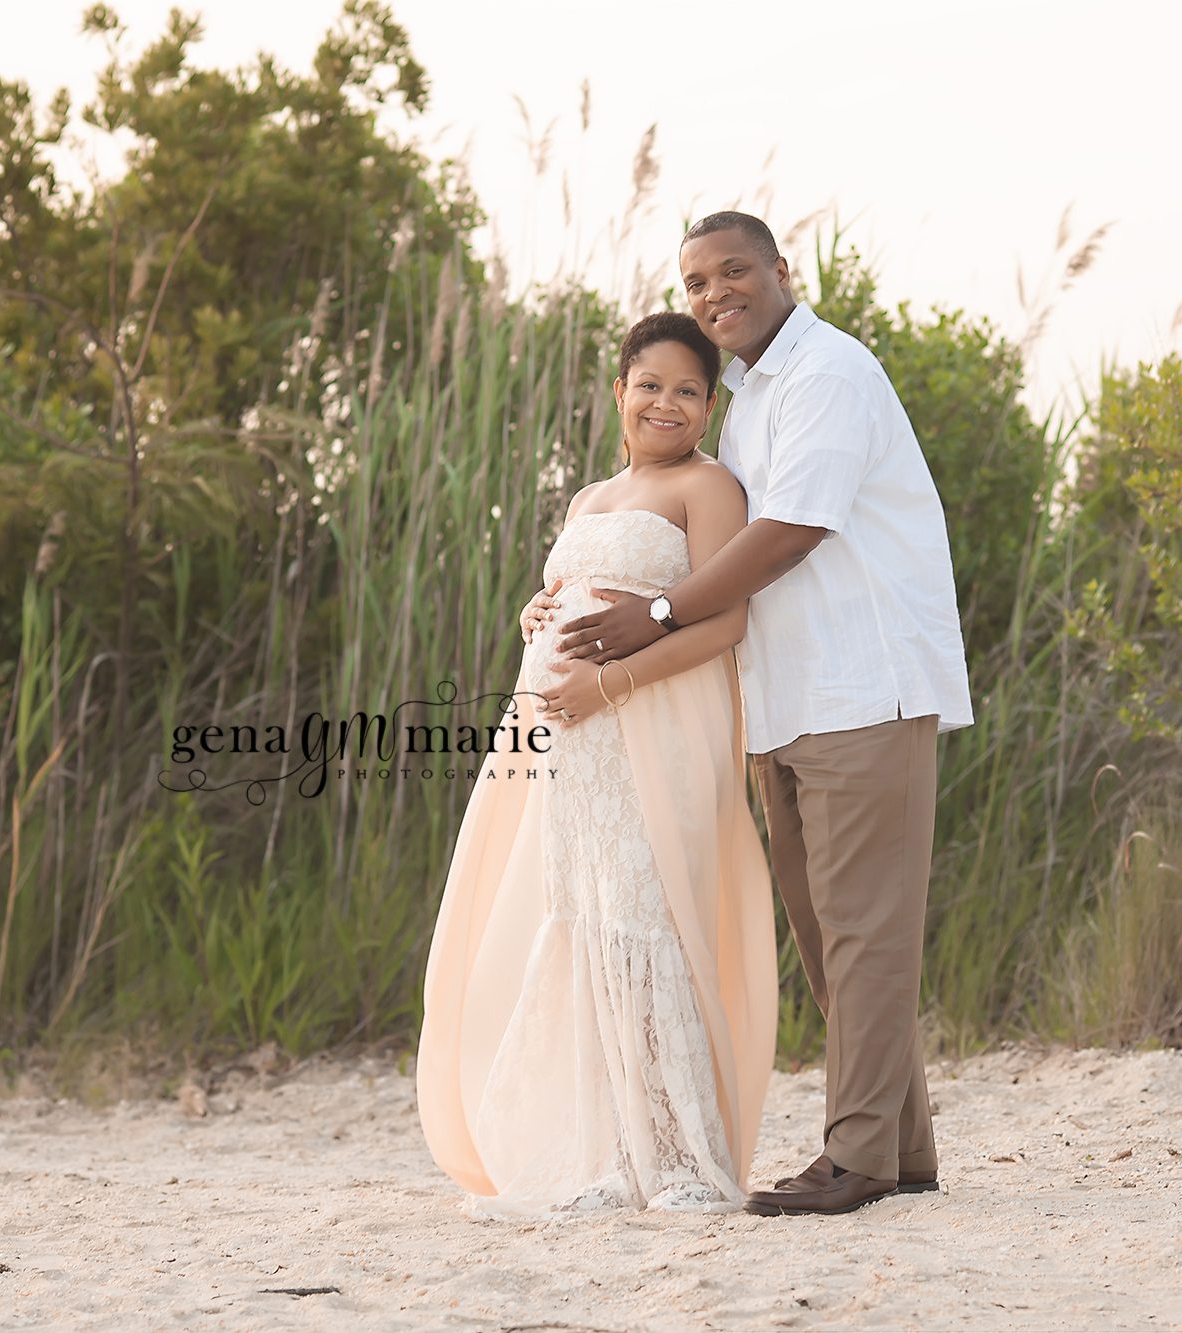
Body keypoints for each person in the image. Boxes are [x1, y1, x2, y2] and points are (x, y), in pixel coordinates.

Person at [552, 211, 973, 1217]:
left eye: (732, 272)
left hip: (859, 686)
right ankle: (899, 1148)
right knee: (832, 934)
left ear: (782, 270)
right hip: (786, 701)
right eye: (695, 281)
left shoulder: (826, 375)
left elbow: (787, 533)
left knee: (863, 933)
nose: (712, 295)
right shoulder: (747, 399)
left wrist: (653, 617)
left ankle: (857, 1156)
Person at [415, 311, 777, 1219]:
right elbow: (569, 594)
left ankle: (686, 1161)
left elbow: (725, 623)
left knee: (653, 920)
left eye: (689, 390)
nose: (667, 402)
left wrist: (608, 687)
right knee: (589, 924)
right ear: (619, 391)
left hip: (653, 731)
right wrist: (536, 617)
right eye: (650, 384)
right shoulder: (587, 498)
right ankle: (613, 1159)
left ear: (708, 406)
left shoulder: (708, 487)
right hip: (571, 748)